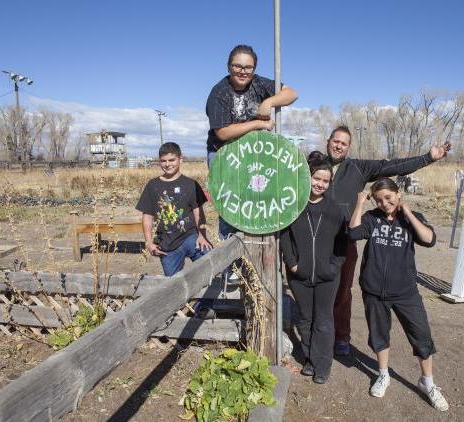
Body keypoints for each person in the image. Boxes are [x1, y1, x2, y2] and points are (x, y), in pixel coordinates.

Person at [324, 125, 451, 356]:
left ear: (348, 147)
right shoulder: (312, 166)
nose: (338, 145)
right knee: (315, 291)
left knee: (342, 293)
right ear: (328, 141)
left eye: (343, 143)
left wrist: (428, 158)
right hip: (313, 241)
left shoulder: (357, 168)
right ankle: (317, 335)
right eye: (335, 141)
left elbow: (390, 166)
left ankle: (341, 336)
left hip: (343, 242)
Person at [348, 177, 448, 411]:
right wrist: (361, 203)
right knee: (379, 335)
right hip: (374, 291)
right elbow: (352, 234)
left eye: (388, 198)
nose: (384, 203)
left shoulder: (411, 219)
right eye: (379, 199)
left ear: (398, 194)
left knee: (421, 336)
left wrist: (409, 214)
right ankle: (383, 374)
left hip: (405, 292)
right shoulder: (372, 219)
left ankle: (428, 383)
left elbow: (429, 239)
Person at [205, 44, 298, 239]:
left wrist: (269, 102)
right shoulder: (219, 93)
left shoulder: (258, 83)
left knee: (258, 195)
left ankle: (259, 236)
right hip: (224, 153)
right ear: (228, 66)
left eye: (248, 67)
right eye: (237, 66)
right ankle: (229, 249)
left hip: (253, 152)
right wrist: (258, 123)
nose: (243, 71)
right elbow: (222, 132)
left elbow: (292, 93)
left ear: (254, 69)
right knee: (230, 203)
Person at [280, 151, 346, 384]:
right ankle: (309, 359)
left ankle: (323, 365)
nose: (320, 184)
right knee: (306, 319)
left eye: (325, 181)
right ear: (308, 177)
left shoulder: (336, 210)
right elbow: (285, 236)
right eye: (316, 178)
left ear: (330, 183)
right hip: (300, 275)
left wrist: (333, 267)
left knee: (324, 321)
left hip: (328, 277)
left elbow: (342, 244)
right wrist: (293, 264)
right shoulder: (294, 205)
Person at [136, 142, 212, 276]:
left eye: (172, 160)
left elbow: (198, 212)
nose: (167, 164)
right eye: (163, 161)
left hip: (190, 236)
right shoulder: (153, 186)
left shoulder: (190, 184)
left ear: (180, 159)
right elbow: (147, 216)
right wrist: (149, 242)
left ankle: (204, 297)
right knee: (172, 285)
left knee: (208, 264)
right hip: (167, 244)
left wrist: (202, 236)